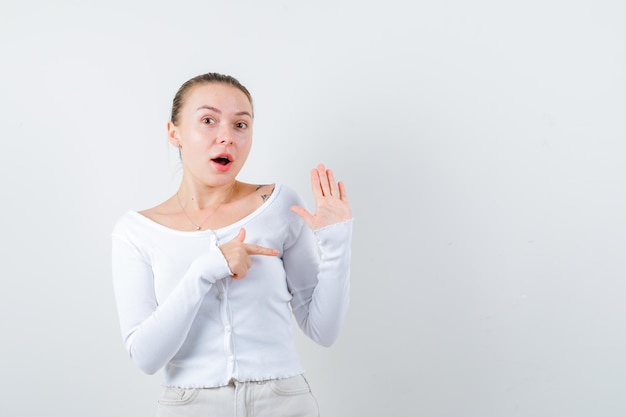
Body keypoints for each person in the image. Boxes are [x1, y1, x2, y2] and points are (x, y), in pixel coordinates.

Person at [111, 72, 353, 417]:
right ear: (174, 133)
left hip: (284, 401)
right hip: (189, 406)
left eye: (241, 125)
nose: (226, 137)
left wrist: (336, 243)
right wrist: (204, 272)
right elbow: (146, 357)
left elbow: (323, 330)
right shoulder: (137, 232)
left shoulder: (280, 204)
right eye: (208, 121)